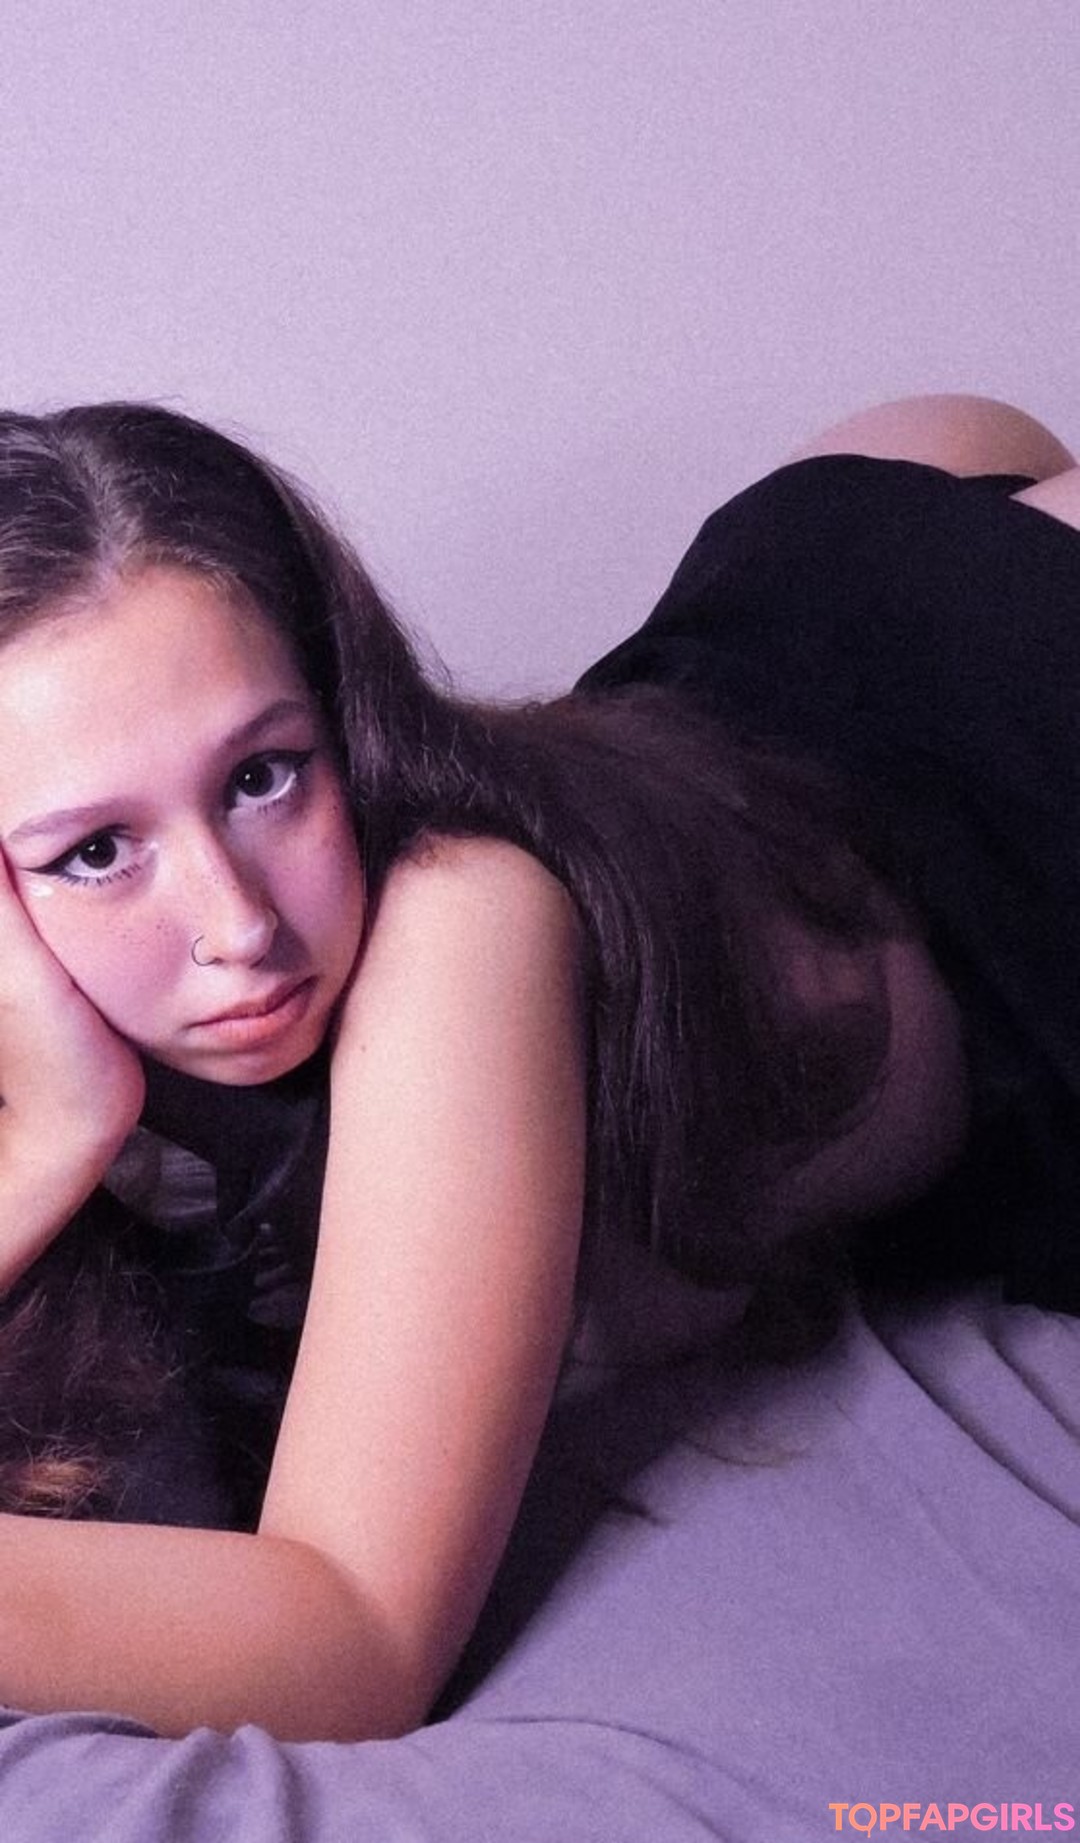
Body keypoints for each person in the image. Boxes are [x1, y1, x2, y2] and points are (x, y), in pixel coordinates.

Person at [0, 392, 1074, 1745]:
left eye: (265, 775)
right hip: (754, 689)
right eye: (97, 852)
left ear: (344, 717)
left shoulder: (458, 924)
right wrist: (50, 1139)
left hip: (1020, 767)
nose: (239, 925)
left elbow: (353, 1637)